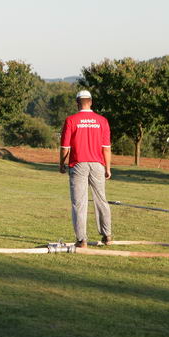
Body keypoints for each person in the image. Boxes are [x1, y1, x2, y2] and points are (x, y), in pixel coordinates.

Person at [59, 90, 113, 248]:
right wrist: (108, 168)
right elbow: (106, 148)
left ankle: (82, 240)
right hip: (98, 165)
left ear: (77, 103)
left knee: (79, 202)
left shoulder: (71, 120)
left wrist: (61, 164)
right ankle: (107, 235)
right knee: (101, 200)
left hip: (78, 164)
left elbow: (65, 147)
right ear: (91, 102)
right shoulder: (102, 121)